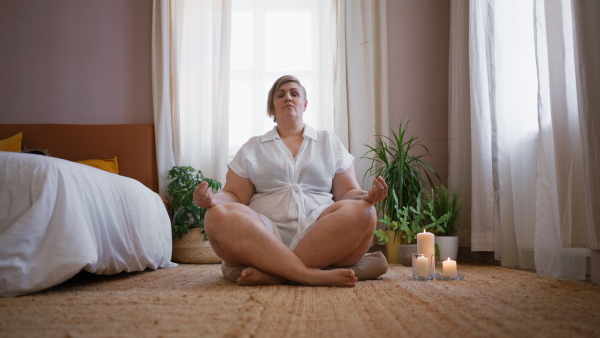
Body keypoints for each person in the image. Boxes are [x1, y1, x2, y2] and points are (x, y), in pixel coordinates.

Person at [193, 75, 388, 287]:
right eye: (281, 94)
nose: (288, 97)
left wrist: (367, 196)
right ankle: (310, 275)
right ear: (272, 107)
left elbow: (348, 191)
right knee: (215, 216)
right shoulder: (253, 146)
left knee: (365, 211)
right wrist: (213, 199)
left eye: (294, 94)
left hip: (322, 232)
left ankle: (276, 273)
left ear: (304, 104)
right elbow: (235, 195)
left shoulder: (327, 141)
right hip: (262, 233)